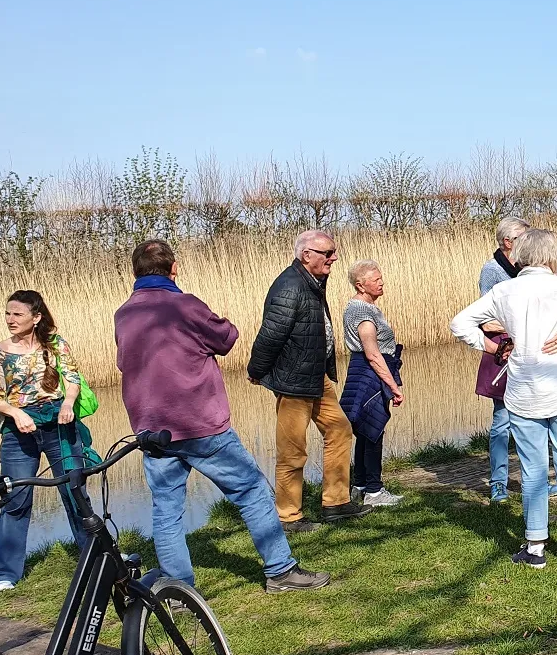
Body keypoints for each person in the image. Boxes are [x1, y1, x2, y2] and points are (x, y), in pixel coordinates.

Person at [115, 240, 330, 593]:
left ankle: (179, 592)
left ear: (135, 271)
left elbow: (126, 364)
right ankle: (280, 571)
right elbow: (227, 338)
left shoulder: (124, 314)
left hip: (152, 428)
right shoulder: (185, 305)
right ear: (174, 268)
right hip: (199, 424)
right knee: (252, 490)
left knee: (166, 511)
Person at [451, 228, 557, 568]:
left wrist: (493, 348)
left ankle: (535, 545)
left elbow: (460, 324)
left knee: (532, 469)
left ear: (520, 256)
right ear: (552, 256)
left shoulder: (504, 290)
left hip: (523, 389)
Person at [247, 229, 369, 533]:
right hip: (294, 382)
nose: (334, 258)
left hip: (316, 377)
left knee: (339, 429)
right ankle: (288, 516)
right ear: (307, 255)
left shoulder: (312, 281)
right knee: (292, 449)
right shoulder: (290, 286)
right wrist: (256, 370)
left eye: (333, 252)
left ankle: (336, 503)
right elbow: (271, 334)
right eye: (328, 253)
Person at [0, 291, 90, 592]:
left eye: (17, 314)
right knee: (16, 497)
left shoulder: (55, 344)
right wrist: (16, 413)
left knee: (75, 491)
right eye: (7, 313)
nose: (10, 319)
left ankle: (96, 556)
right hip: (19, 431)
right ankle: (4, 575)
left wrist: (68, 404)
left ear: (36, 317)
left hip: (59, 425)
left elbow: (73, 378)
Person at [340, 260, 405, 509]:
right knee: (373, 429)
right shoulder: (361, 312)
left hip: (366, 370)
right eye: (375, 279)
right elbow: (373, 353)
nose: (381, 282)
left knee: (366, 430)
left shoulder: (365, 307)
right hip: (369, 372)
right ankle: (375, 492)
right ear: (360, 285)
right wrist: (393, 386)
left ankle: (360, 485)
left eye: (380, 278)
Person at [476, 216, 530, 503]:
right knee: (502, 420)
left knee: (533, 420)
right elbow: (485, 318)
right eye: (523, 236)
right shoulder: (492, 270)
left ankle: (534, 480)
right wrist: (519, 327)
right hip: (505, 349)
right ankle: (498, 482)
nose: (527, 241)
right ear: (508, 242)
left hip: (530, 350)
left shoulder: (529, 268)